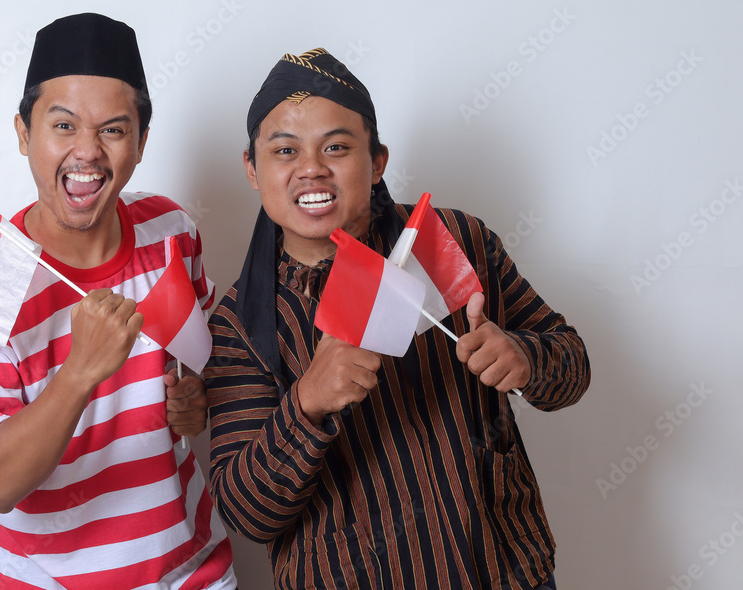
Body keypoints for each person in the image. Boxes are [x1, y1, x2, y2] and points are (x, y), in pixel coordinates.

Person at [203, 47, 590, 589]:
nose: (311, 168)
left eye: (336, 147)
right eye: (285, 150)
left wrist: (525, 359)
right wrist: (307, 403)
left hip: (502, 571)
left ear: (377, 160)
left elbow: (572, 365)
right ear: (252, 168)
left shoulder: (454, 240)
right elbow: (247, 515)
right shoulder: (238, 324)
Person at [0, 13, 236, 589]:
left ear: (141, 142)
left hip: (194, 570)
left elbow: (201, 367)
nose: (87, 152)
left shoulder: (171, 230)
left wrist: (196, 400)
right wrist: (79, 373)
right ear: (24, 134)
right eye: (63, 125)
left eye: (114, 130)